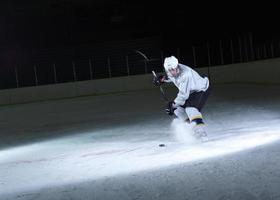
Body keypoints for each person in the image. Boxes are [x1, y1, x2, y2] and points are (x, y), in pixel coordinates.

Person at [153, 55, 210, 141]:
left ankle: (200, 131)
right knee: (178, 110)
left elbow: (183, 96)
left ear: (177, 66)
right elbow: (172, 77)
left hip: (201, 89)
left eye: (174, 69)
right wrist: (162, 79)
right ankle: (191, 127)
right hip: (191, 91)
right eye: (170, 70)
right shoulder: (172, 70)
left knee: (190, 109)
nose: (173, 71)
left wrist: (172, 105)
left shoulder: (185, 75)